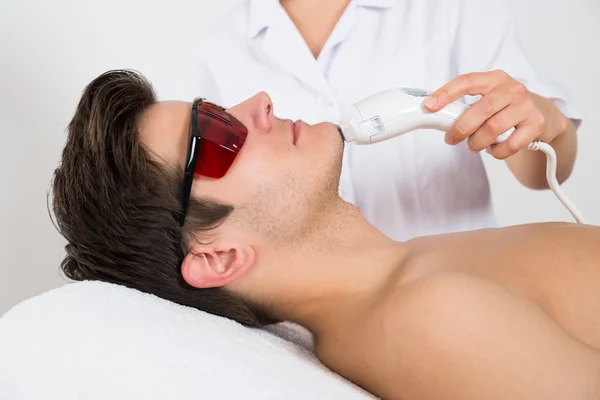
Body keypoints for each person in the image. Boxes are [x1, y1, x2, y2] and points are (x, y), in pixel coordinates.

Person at [51, 70, 599, 399]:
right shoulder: (425, 317)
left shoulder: (420, 271)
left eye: (218, 110)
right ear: (218, 259)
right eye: (216, 136)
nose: (258, 102)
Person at [191, 0, 582, 242]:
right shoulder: (222, 47)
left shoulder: (447, 7)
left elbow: (540, 169)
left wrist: (546, 121)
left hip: (471, 282)